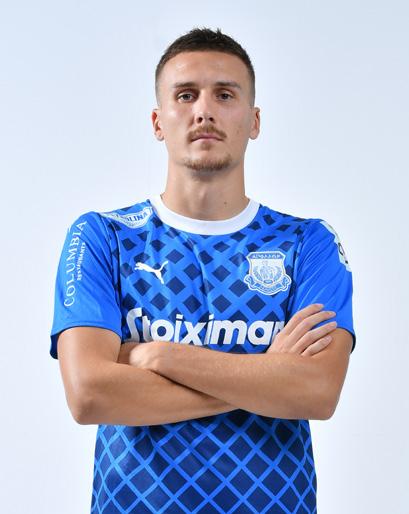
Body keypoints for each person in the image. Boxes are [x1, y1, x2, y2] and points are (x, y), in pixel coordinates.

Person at [50, 27, 356, 514]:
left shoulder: (307, 243)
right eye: (186, 95)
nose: (204, 111)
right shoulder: (103, 236)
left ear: (254, 120)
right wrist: (265, 375)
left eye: (225, 95)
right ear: (158, 121)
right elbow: (89, 394)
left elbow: (317, 391)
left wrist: (159, 355)